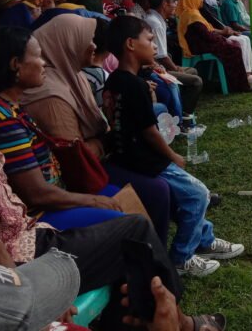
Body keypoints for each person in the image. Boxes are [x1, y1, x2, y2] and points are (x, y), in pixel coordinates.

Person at [0, 41, 225, 330]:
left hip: (28, 230)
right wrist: (28, 296)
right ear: (15, 65)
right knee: (134, 229)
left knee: (144, 211)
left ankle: (158, 313)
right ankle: (179, 321)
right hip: (22, 249)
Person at [103, 15, 244, 277]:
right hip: (144, 160)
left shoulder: (114, 81)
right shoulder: (134, 85)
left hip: (128, 156)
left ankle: (205, 240)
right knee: (198, 194)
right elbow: (148, 130)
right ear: (131, 44)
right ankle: (181, 258)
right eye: (149, 40)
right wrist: (172, 155)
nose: (155, 45)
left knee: (188, 196)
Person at [21, 15, 172, 245]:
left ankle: (181, 240)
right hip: (79, 177)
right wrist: (107, 139)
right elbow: (77, 156)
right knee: (157, 189)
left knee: (162, 178)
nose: (94, 45)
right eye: (86, 40)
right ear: (67, 43)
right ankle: (152, 261)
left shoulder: (74, 76)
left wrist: (108, 136)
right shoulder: (50, 95)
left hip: (102, 158)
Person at [0, 26, 124, 231]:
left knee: (117, 195)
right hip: (36, 215)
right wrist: (92, 201)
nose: (44, 64)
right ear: (16, 65)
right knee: (122, 219)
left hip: (52, 200)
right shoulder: (3, 121)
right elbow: (36, 194)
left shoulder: (6, 106)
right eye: (39, 57)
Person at [176, 0, 252, 92]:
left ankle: (239, 82)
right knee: (234, 50)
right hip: (199, 46)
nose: (202, 1)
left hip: (201, 43)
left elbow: (207, 31)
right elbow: (207, 35)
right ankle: (238, 86)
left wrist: (222, 37)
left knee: (233, 45)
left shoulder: (191, 12)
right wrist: (223, 38)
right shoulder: (192, 15)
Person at [145, 0, 203, 116]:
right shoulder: (155, 23)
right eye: (173, 2)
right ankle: (184, 116)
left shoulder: (156, 19)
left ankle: (181, 106)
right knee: (196, 82)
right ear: (164, 4)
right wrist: (176, 69)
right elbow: (161, 56)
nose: (176, 5)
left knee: (192, 71)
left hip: (158, 66)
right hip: (154, 70)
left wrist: (176, 68)